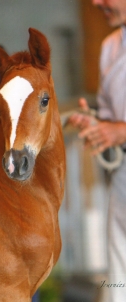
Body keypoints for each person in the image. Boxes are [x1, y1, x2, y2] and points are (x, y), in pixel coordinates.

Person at [69, 1, 126, 301]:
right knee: (119, 279)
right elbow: (110, 116)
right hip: (121, 179)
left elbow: (119, 127)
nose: (96, 3)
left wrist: (120, 130)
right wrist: (96, 124)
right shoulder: (110, 46)